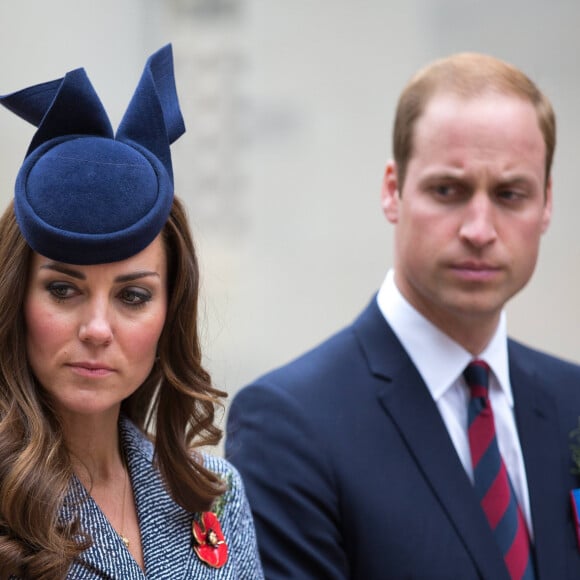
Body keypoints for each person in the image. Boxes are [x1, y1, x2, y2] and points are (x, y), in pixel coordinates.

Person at [225, 52, 580, 579]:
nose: (479, 229)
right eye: (448, 190)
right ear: (392, 190)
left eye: (510, 194)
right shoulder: (289, 424)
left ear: (547, 202)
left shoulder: (572, 399)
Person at [0, 45, 264, 579]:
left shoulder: (212, 490)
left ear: (171, 312)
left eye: (132, 296)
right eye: (63, 290)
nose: (97, 328)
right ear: (15, 300)